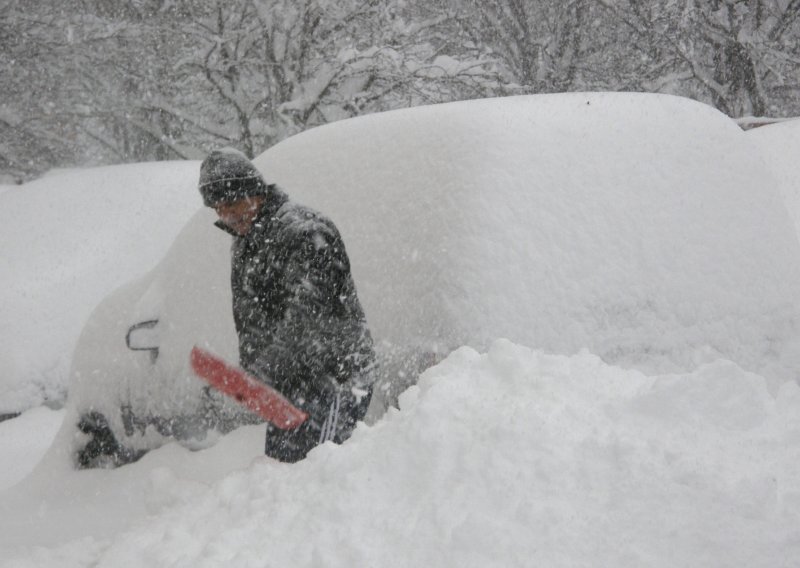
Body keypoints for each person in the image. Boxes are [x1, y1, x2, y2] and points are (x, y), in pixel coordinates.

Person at [198, 148, 376, 462]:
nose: (227, 215)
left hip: (334, 379)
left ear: (255, 192)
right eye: (219, 207)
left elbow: (309, 314)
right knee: (280, 477)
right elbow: (254, 317)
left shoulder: (305, 232)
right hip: (293, 387)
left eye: (234, 202)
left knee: (320, 475)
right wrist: (253, 373)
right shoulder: (247, 240)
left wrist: (267, 369)